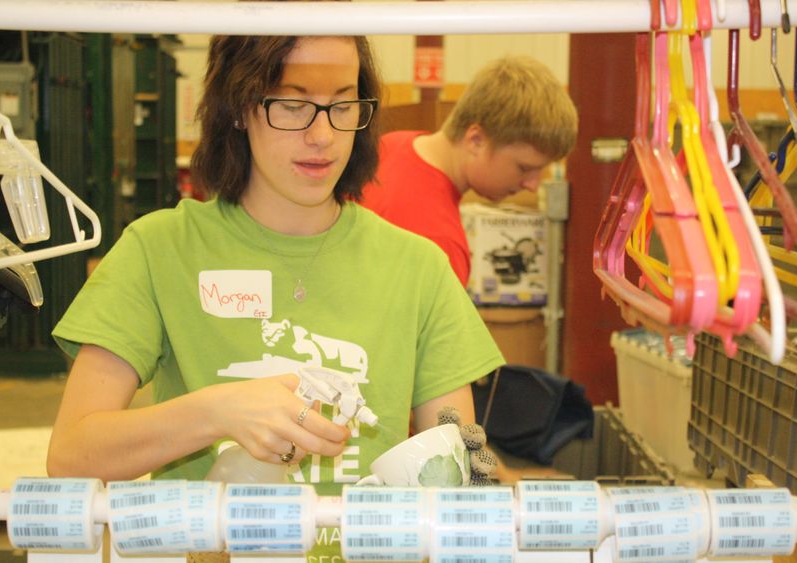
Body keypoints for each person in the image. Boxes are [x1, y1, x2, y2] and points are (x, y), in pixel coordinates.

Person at [47, 23, 503, 545]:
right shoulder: (160, 250)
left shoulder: (418, 267)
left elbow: (450, 453)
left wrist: (468, 472)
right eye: (291, 103)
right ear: (239, 106)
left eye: (343, 104)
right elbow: (72, 456)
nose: (323, 135)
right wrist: (218, 411)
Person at [360, 56, 578, 286]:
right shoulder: (438, 243)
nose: (533, 185)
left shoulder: (390, 145)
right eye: (524, 168)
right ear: (476, 140)